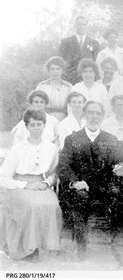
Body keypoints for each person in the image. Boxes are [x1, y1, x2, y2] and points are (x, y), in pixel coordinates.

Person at [58, 101, 123, 265]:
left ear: (103, 116)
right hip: (81, 187)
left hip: (105, 187)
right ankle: (81, 246)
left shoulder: (110, 139)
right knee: (80, 198)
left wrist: (121, 166)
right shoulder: (72, 139)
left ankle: (118, 248)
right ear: (84, 114)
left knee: (119, 199)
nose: (94, 117)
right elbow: (63, 167)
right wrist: (75, 182)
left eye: (98, 113)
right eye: (91, 112)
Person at [0, 109, 62, 261]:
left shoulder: (50, 147)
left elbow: (54, 173)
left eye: (39, 124)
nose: (36, 128)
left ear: (44, 125)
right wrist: (25, 185)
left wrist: (46, 182)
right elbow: (3, 176)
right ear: (26, 126)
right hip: (19, 186)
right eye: (32, 125)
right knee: (32, 205)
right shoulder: (17, 148)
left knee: (52, 204)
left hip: (41, 184)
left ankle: (46, 245)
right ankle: (28, 249)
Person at [59, 15, 100, 84]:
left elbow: (96, 62)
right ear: (75, 25)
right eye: (79, 24)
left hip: (88, 78)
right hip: (70, 78)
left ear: (87, 26)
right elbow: (61, 61)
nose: (81, 27)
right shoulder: (66, 42)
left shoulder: (94, 43)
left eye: (84, 24)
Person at [36, 56, 72, 121]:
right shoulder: (42, 86)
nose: (55, 71)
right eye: (52, 69)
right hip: (45, 119)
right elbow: (36, 105)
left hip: (64, 119)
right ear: (48, 70)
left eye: (58, 69)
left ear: (62, 70)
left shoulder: (68, 87)